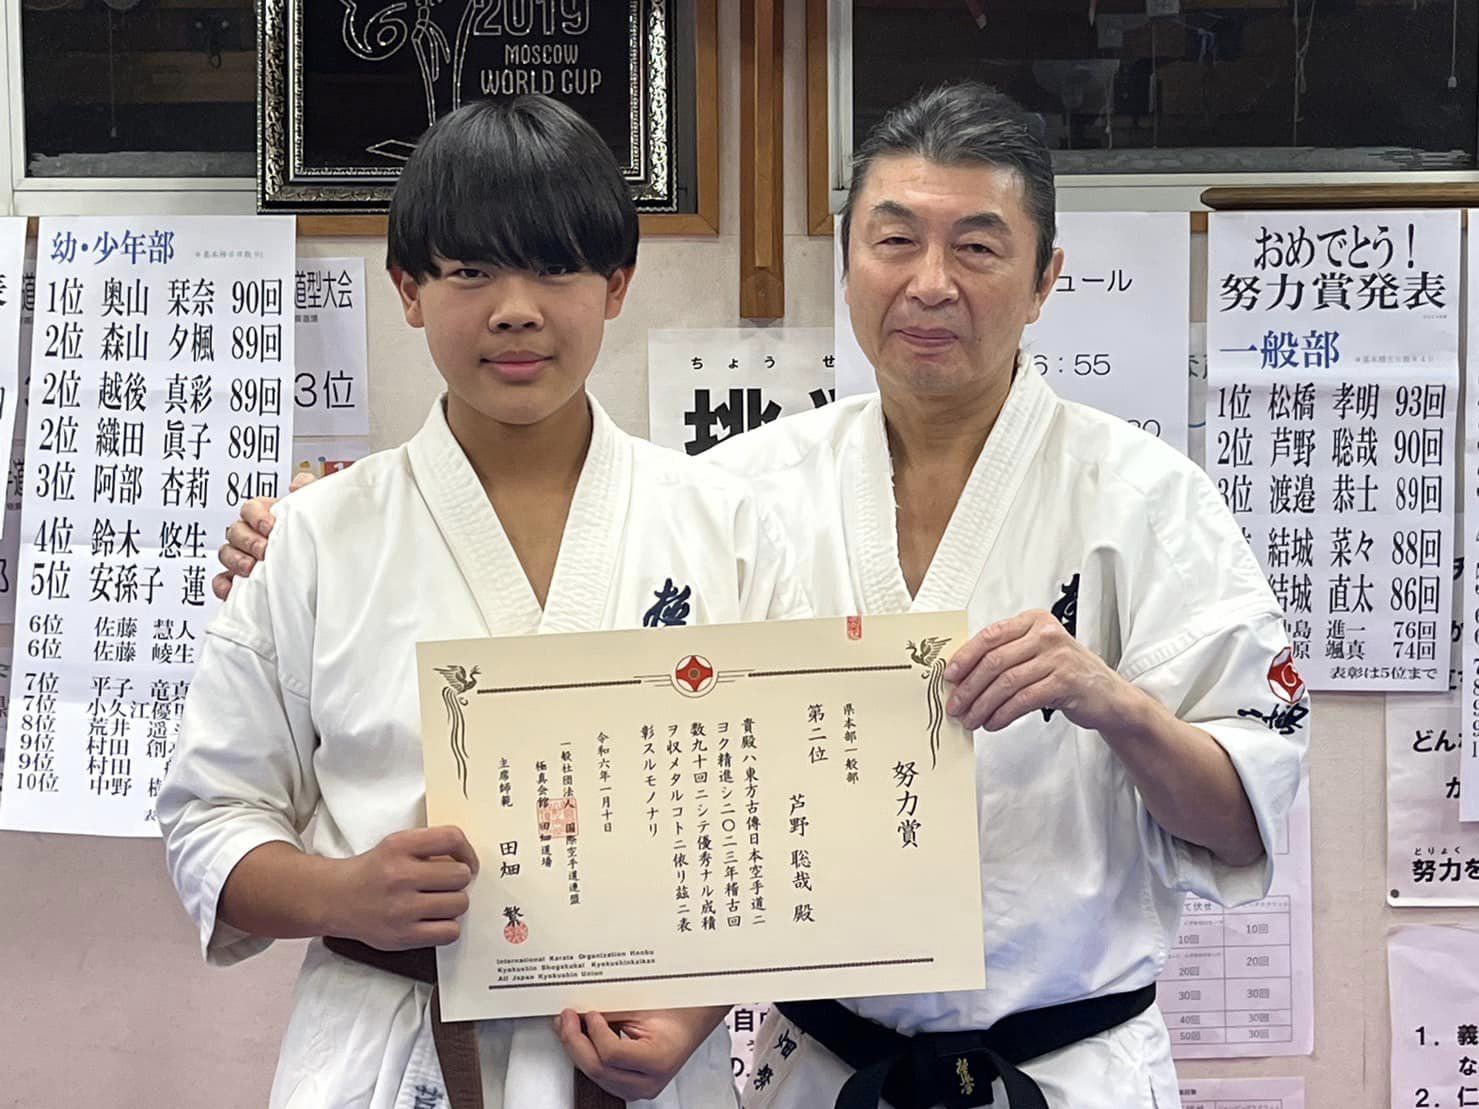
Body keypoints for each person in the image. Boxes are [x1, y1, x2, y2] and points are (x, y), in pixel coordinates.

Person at [218, 84, 1308, 1109]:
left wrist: (1112, 701)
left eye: (977, 247)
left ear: (1044, 277)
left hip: (1064, 1061)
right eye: (895, 240)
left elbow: (1243, 813)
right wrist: (310, 537)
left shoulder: (1149, 500)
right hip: (818, 1065)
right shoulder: (744, 491)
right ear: (848, 261)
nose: (931, 282)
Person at [159, 95, 813, 1109]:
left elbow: (794, 807)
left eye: (555, 268)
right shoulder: (316, 538)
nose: (515, 308)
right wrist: (345, 893)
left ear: (617, 285)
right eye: (469, 271)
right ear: (408, 290)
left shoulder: (729, 529)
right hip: (389, 1049)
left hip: (642, 1051)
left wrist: (693, 1013)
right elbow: (210, 817)